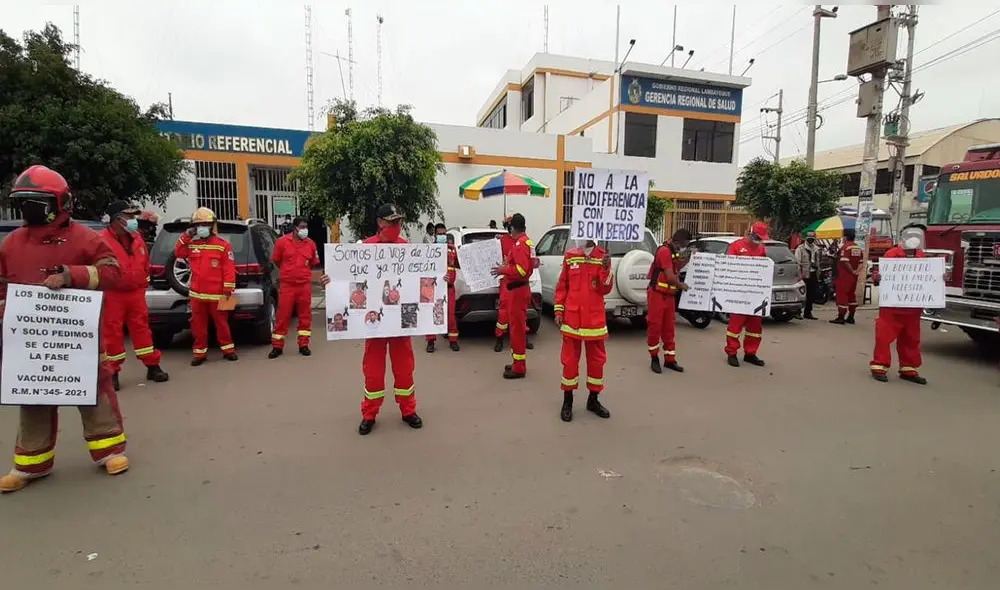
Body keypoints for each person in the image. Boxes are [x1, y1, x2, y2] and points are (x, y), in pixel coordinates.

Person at [0, 165, 129, 493]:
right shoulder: (11, 244)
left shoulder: (85, 238)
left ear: (61, 203)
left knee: (94, 393)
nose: (30, 210)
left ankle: (109, 451)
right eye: (25, 202)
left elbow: (113, 273)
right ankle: (31, 463)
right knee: (33, 398)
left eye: (38, 202)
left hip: (78, 340)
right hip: (32, 345)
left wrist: (73, 275)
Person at [358, 204, 423, 435]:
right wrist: (330, 280)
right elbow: (349, 278)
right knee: (373, 371)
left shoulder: (405, 247)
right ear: (380, 223)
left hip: (399, 320)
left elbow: (418, 277)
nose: (396, 226)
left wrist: (437, 278)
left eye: (398, 222)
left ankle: (408, 411)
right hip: (374, 321)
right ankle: (369, 414)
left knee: (405, 368)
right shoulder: (366, 248)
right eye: (391, 222)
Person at [100, 201, 170, 390]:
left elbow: (144, 263)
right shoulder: (101, 241)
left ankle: (152, 366)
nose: (133, 220)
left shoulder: (136, 238)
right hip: (113, 293)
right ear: (117, 219)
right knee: (112, 333)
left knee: (142, 330)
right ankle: (112, 372)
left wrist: (143, 283)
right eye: (129, 216)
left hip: (136, 292)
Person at [554, 239, 613, 422]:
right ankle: (567, 401)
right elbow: (563, 285)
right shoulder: (571, 256)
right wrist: (559, 309)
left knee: (597, 362)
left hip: (594, 321)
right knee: (569, 362)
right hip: (572, 319)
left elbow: (605, 289)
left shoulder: (602, 256)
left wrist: (606, 268)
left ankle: (593, 400)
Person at [174, 207, 238, 365]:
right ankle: (199, 354)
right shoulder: (192, 244)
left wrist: (228, 290)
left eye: (205, 224)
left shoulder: (223, 245)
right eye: (198, 224)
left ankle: (228, 350)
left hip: (219, 295)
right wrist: (186, 235)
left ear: (212, 226)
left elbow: (229, 269)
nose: (201, 227)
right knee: (197, 326)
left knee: (222, 324)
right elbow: (179, 253)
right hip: (197, 295)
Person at [870, 226, 928, 384]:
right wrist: (879, 277)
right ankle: (879, 365)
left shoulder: (922, 256)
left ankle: (908, 368)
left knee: (911, 338)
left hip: (912, 306)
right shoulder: (891, 255)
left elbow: (929, 278)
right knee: (884, 336)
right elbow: (877, 275)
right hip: (892, 307)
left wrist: (939, 278)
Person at [269, 217, 320, 359]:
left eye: (306, 227)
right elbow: (277, 260)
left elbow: (313, 263)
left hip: (304, 285)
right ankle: (277, 347)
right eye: (302, 227)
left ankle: (303, 345)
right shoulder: (282, 243)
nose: (305, 230)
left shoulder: (311, 244)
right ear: (295, 228)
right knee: (283, 316)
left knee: (305, 316)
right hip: (287, 285)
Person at [492, 213, 533, 379]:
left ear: (512, 228)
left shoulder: (520, 244)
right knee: (516, 329)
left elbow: (522, 270)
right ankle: (517, 362)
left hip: (517, 291)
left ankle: (519, 368)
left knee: (516, 331)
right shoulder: (525, 242)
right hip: (518, 290)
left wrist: (504, 270)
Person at [725, 222, 770, 368]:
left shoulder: (761, 248)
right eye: (757, 236)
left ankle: (750, 353)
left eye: (761, 237)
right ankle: (731, 352)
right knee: (735, 326)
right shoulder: (736, 246)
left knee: (755, 327)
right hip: (738, 295)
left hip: (755, 295)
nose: (759, 240)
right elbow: (727, 267)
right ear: (750, 233)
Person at [646, 229, 691, 374]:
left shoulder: (673, 250)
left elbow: (675, 268)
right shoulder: (664, 251)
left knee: (669, 329)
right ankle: (654, 358)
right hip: (657, 295)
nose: (683, 248)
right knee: (655, 326)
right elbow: (671, 277)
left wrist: (686, 261)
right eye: (684, 245)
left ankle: (670, 360)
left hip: (669, 296)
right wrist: (682, 285)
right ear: (677, 242)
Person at [426, 223, 460, 353]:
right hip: (434, 289)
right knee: (434, 314)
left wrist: (450, 278)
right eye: (439, 234)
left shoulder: (451, 249)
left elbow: (456, 267)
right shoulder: (430, 250)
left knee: (451, 315)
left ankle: (453, 341)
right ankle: (430, 341)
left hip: (449, 287)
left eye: (443, 234)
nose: (442, 236)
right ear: (435, 234)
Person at [830, 228, 863, 325]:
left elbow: (845, 261)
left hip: (844, 276)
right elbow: (861, 262)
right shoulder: (857, 247)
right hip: (853, 277)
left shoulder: (846, 247)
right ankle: (851, 316)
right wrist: (857, 271)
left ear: (845, 237)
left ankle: (841, 317)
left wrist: (852, 270)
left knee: (842, 296)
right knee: (851, 295)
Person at [795, 231, 820, 320]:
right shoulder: (800, 249)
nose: (811, 240)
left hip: (813, 273)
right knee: (801, 294)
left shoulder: (816, 249)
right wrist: (799, 274)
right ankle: (797, 312)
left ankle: (808, 312)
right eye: (809, 238)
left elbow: (817, 261)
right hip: (804, 274)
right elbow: (798, 263)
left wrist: (818, 273)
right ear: (806, 238)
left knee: (811, 294)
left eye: (812, 238)